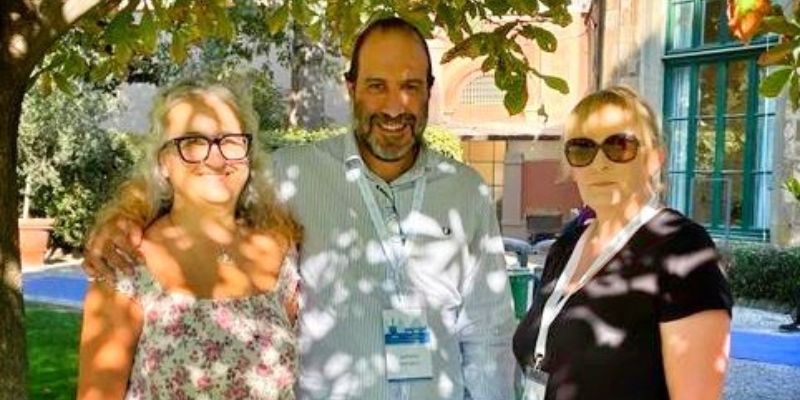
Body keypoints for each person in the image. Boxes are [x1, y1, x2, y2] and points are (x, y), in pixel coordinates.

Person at [82, 17, 517, 400]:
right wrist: (126, 219)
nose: (394, 106)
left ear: (428, 92)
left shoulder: (467, 194)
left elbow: (488, 336)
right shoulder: (293, 177)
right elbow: (202, 187)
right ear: (351, 89)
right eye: (376, 85)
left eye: (411, 86)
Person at [77, 79, 303, 400]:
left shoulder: (281, 251)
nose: (215, 158)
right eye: (193, 142)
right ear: (163, 163)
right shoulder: (125, 262)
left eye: (230, 141)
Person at [512, 86, 733, 400]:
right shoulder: (570, 241)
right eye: (582, 148)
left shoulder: (683, 249)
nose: (600, 163)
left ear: (655, 159)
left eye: (619, 145)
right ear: (571, 167)